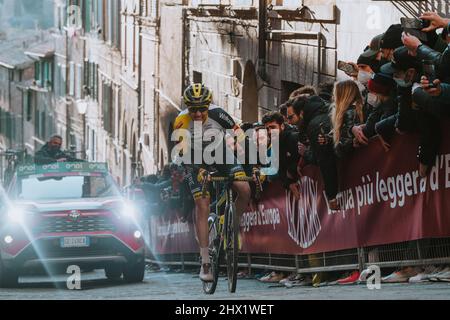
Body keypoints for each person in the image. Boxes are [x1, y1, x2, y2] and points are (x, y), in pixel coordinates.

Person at [172, 83, 251, 283]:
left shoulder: (219, 114)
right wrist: (199, 170)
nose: (198, 113)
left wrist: (255, 164)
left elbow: (240, 137)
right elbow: (183, 152)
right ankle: (205, 261)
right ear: (187, 108)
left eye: (202, 109)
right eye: (193, 109)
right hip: (194, 158)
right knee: (202, 203)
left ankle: (232, 226)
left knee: (244, 189)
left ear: (209, 105)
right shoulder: (181, 121)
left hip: (219, 152)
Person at [328, 80, 365, 158]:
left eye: (336, 93)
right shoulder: (357, 109)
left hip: (354, 160)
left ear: (343, 95)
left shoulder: (349, 113)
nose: (334, 96)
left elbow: (342, 148)